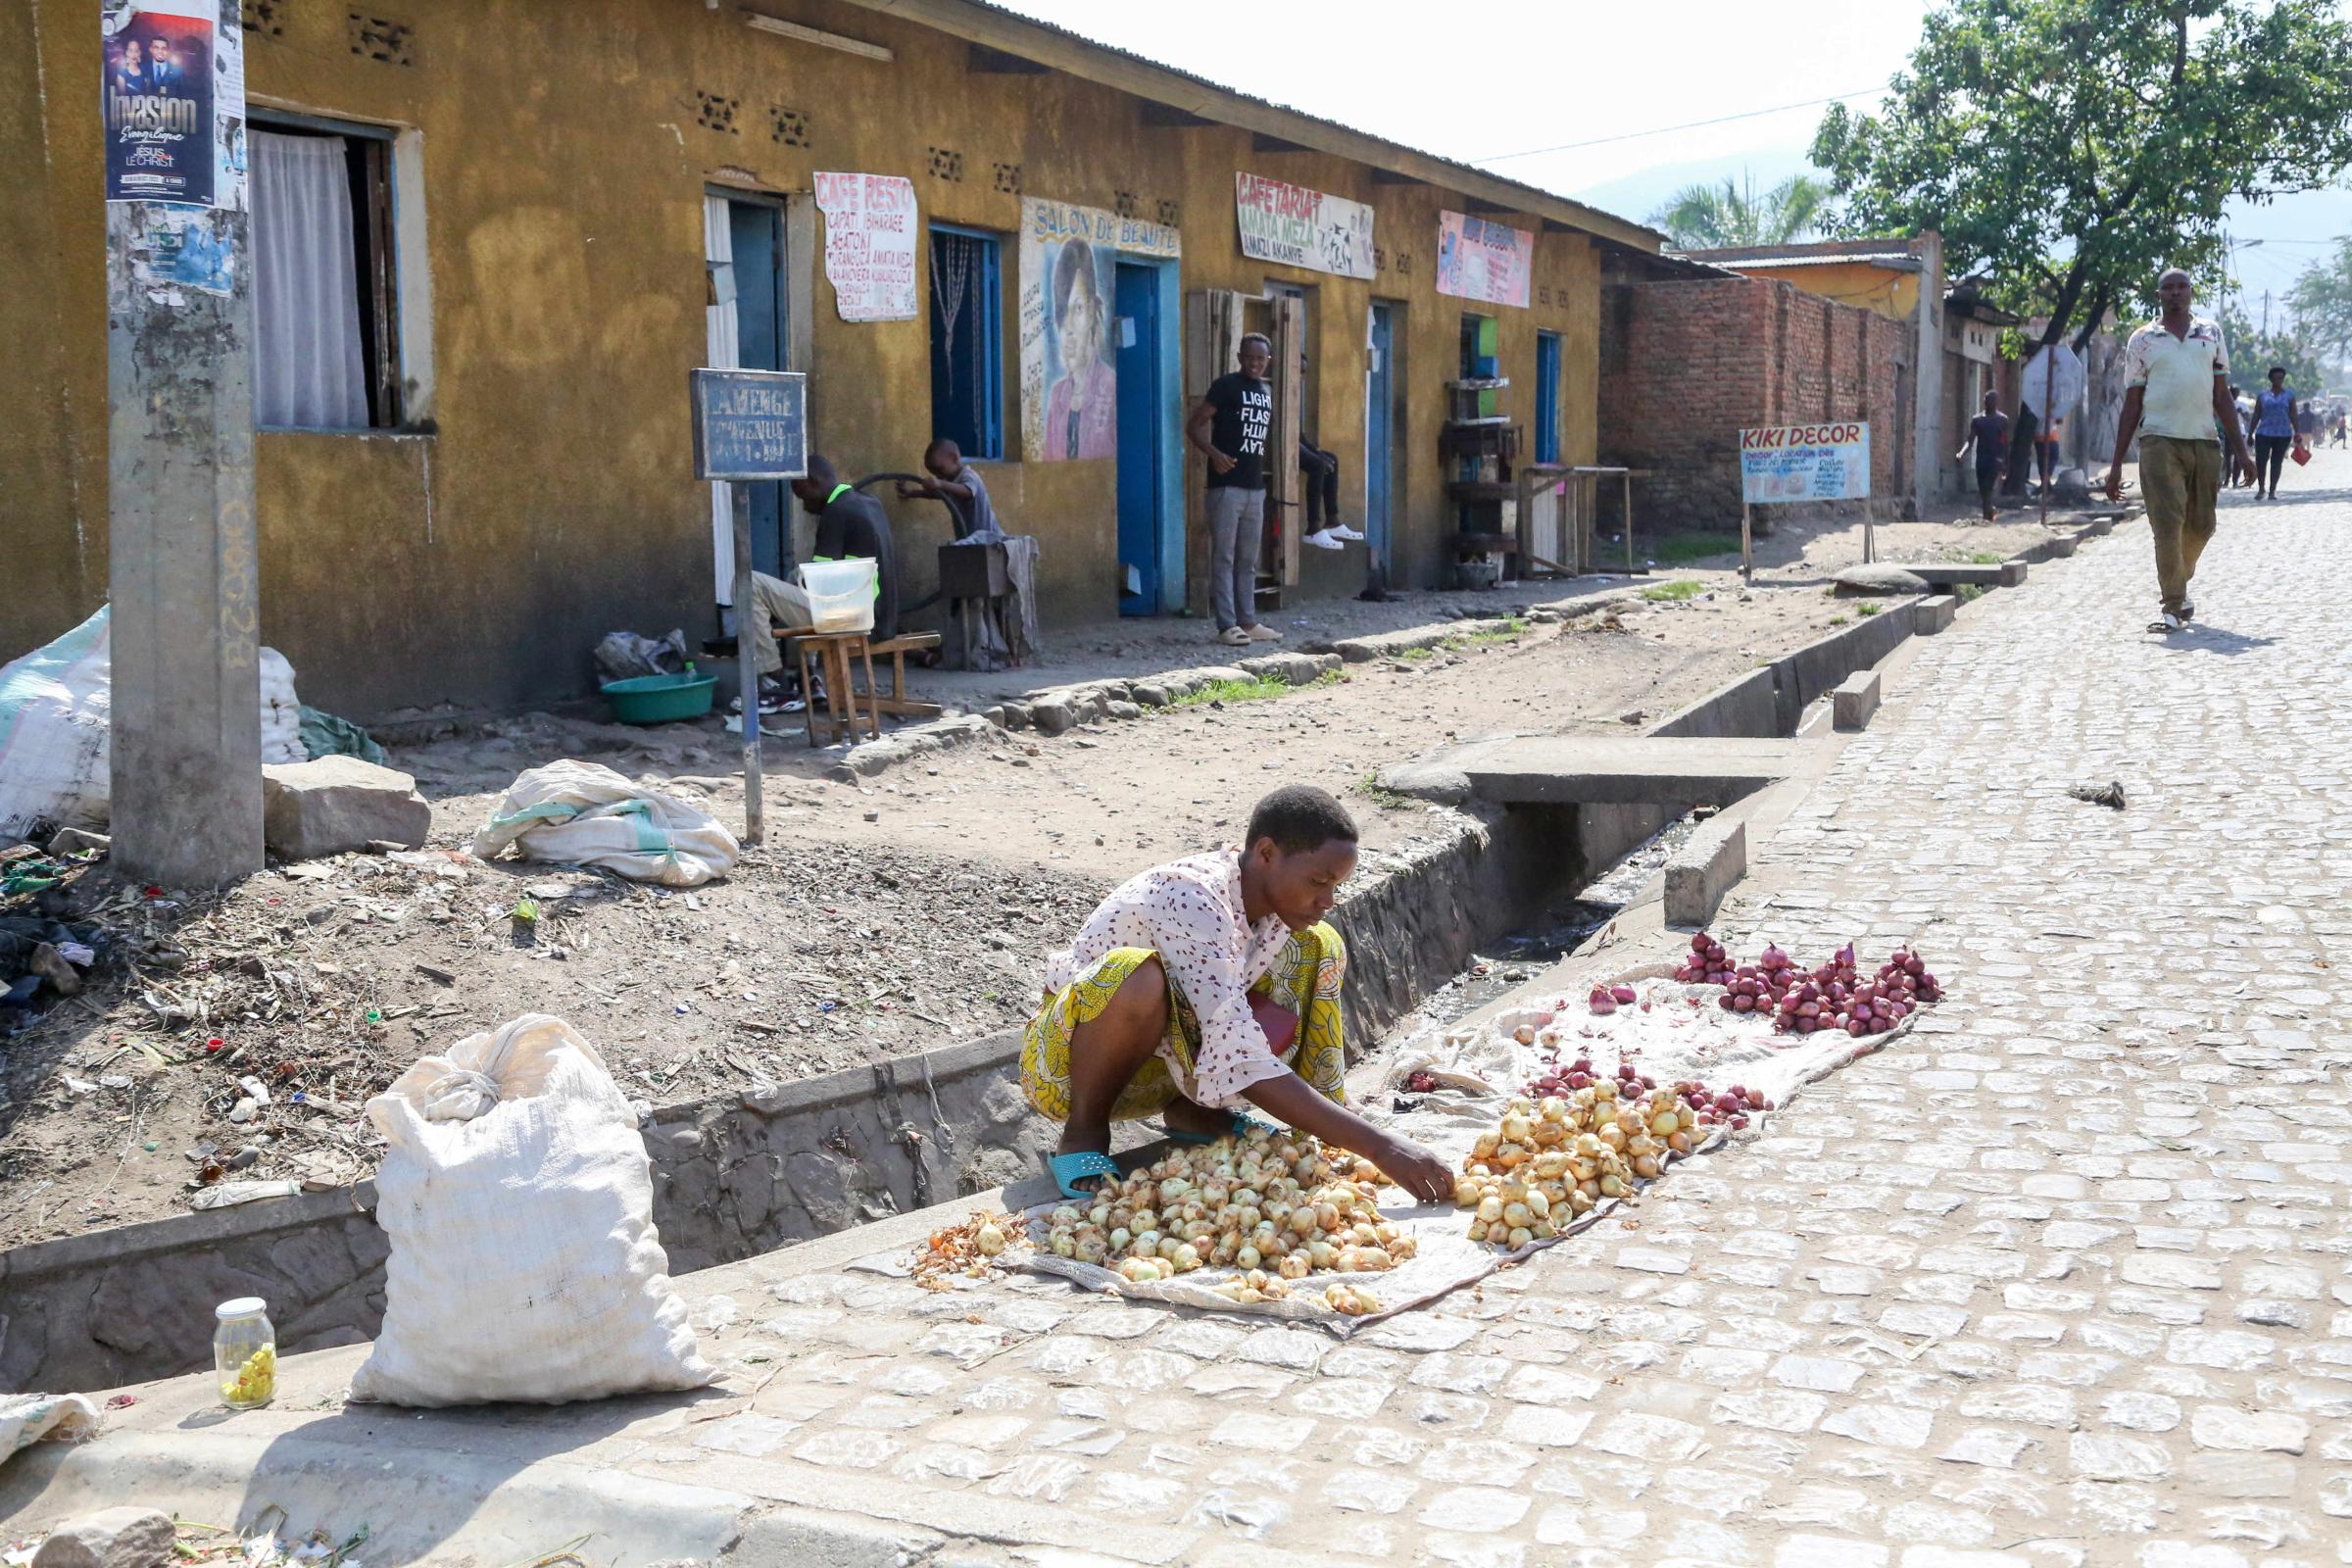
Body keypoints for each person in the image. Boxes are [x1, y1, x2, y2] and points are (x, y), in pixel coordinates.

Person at [1021, 785, 1455, 1203]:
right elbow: (1236, 1049)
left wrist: (1342, 1130)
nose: (1328, 899)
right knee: (1138, 977)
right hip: (1068, 1068)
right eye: (1318, 881)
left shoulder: (1272, 910)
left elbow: (1223, 1021)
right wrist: (1379, 1147)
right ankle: (1083, 1134)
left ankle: (1197, 1113)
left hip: (1163, 1070)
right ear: (1266, 854)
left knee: (1319, 943)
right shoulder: (1191, 897)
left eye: (1335, 885)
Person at [2106, 269, 2256, 634]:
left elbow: (2222, 397)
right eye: (2168, 288)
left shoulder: (2211, 333)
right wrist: (2114, 466)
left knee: (2203, 525)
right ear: (2159, 295)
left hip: (2204, 441)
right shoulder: (2143, 339)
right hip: (2158, 441)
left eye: (2181, 287)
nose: (2175, 293)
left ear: (2190, 292)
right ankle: (2172, 604)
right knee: (2167, 525)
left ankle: (2179, 580)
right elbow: (2131, 403)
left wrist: (2243, 451)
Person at [734, 455, 898, 712]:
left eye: (802, 496)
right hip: (880, 616)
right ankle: (808, 677)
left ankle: (777, 683)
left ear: (813, 482)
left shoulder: (836, 513)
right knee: (794, 575)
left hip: (855, 620)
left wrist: (773, 613)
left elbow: (819, 584)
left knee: (748, 583)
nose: (803, 505)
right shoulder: (868, 502)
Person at [1188, 333, 1280, 648]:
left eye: (1261, 358)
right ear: (1239, 357)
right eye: (1250, 357)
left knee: (1247, 560)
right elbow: (1194, 425)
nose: (1255, 363)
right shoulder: (1225, 386)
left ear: (1268, 361)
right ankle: (1227, 625)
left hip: (1255, 488)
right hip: (1226, 488)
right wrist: (1214, 455)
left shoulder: (1265, 391)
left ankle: (1248, 621)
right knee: (1224, 558)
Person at [1042, 239, 1115, 462]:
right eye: (1063, 313)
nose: (1069, 328)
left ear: (1093, 310)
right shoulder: (1057, 396)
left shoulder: (1111, 386)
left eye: (1079, 309)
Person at [897, 437, 999, 539]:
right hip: (969, 537)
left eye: (940, 469)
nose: (938, 475)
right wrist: (912, 493)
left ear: (954, 458)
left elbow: (968, 491)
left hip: (989, 538)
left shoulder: (968, 475)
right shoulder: (949, 481)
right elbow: (938, 494)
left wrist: (940, 484)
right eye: (933, 472)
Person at [1956, 390, 2009, 521]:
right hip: (1981, 460)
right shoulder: (1977, 420)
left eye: (1991, 400)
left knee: (1988, 488)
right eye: (1986, 400)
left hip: (1995, 459)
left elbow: (2005, 443)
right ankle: (1990, 512)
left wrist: (2005, 463)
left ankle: (1986, 519)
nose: (1988, 402)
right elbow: (1970, 440)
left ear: (1996, 402)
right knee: (1983, 490)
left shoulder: (2002, 420)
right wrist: (1962, 452)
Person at [2250, 367, 2297, 500]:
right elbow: (2257, 414)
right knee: (2261, 461)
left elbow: (2293, 414)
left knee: (2276, 462)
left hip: (2283, 434)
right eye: (2275, 378)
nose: (2278, 380)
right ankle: (2261, 488)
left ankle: (2272, 490)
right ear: (2270, 379)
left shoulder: (2289, 395)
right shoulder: (2263, 395)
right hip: (2264, 432)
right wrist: (2250, 433)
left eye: (2281, 378)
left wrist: (2297, 432)